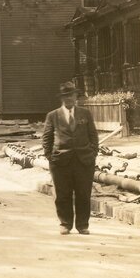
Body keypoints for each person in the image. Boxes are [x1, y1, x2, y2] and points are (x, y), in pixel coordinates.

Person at [42, 81, 99, 235]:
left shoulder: (85, 114)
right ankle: (65, 224)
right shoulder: (53, 116)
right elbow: (47, 139)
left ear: (76, 97)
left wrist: (92, 153)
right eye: (66, 96)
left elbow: (93, 135)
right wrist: (50, 157)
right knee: (62, 194)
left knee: (83, 194)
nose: (69, 99)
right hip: (60, 161)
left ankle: (82, 225)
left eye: (71, 95)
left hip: (84, 161)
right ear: (62, 98)